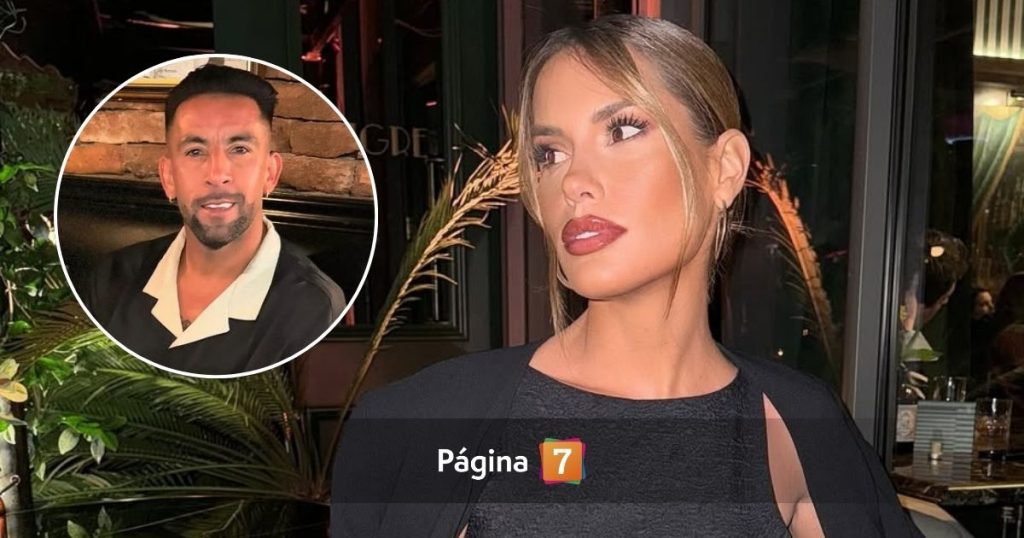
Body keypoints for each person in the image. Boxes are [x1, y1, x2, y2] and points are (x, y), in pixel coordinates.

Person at [331, 16, 921, 537]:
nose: (573, 182)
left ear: (724, 169)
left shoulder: (802, 423)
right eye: (549, 154)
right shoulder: (424, 425)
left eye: (623, 130)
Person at [79, 64, 346, 376]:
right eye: (195, 151)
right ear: (168, 177)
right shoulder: (110, 279)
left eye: (239, 149)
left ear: (270, 173)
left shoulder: (312, 306)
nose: (218, 174)